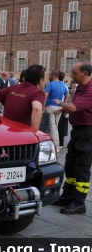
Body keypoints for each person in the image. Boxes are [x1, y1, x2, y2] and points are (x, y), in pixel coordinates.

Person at [52, 60, 92, 214]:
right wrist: (65, 111)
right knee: (70, 164)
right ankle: (67, 196)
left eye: (74, 73)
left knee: (82, 167)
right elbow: (78, 107)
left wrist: (62, 105)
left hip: (88, 132)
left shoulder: (90, 89)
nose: (71, 75)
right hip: (77, 131)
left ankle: (79, 202)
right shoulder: (80, 87)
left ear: (85, 73)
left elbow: (74, 106)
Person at [0, 65, 45, 129]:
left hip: (6, 131)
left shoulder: (12, 88)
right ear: (41, 81)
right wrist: (35, 133)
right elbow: (36, 108)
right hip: (23, 134)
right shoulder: (38, 93)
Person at [44, 70, 69, 152]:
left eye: (50, 74)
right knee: (55, 127)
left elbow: (45, 95)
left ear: (53, 75)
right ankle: (57, 145)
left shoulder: (50, 84)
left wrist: (43, 106)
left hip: (50, 106)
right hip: (58, 107)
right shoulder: (62, 84)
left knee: (52, 127)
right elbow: (67, 95)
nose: (49, 76)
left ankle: (54, 147)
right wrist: (64, 104)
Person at [58, 71, 69, 148]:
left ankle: (60, 142)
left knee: (59, 126)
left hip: (59, 106)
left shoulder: (61, 85)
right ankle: (60, 143)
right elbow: (67, 96)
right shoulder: (64, 85)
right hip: (61, 106)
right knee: (60, 125)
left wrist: (64, 105)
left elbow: (67, 95)